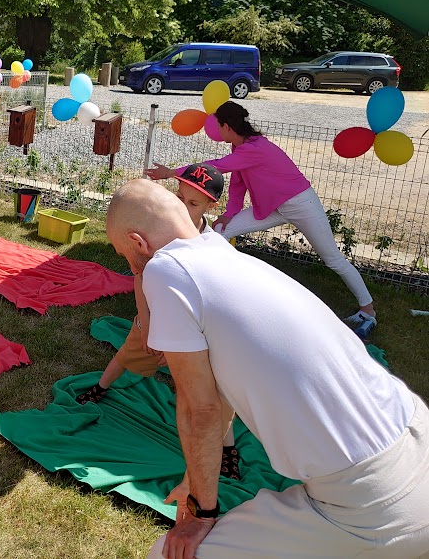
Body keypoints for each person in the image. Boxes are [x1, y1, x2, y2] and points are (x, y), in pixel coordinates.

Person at [104, 180, 429, 559]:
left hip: (375, 506)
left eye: (125, 255)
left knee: (169, 554)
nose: (131, 267)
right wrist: (193, 482)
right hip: (417, 437)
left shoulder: (164, 269)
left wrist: (200, 513)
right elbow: (220, 397)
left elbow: (199, 408)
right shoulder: (223, 253)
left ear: (138, 242)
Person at [146, 101, 378, 336]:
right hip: (274, 208)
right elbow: (238, 184)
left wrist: (171, 173)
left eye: (218, 126)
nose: (216, 131)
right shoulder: (240, 148)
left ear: (226, 126)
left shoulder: (254, 148)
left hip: (301, 205)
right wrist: (229, 214)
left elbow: (216, 167)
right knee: (220, 231)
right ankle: (206, 286)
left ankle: (367, 310)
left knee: (333, 259)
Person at [77, 165, 241, 481]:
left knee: (216, 393)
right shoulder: (158, 238)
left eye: (193, 203)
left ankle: (227, 449)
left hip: (199, 330)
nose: (183, 207)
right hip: (154, 315)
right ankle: (101, 386)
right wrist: (148, 324)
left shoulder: (213, 245)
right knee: (129, 351)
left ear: (211, 206)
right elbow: (141, 276)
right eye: (179, 198)